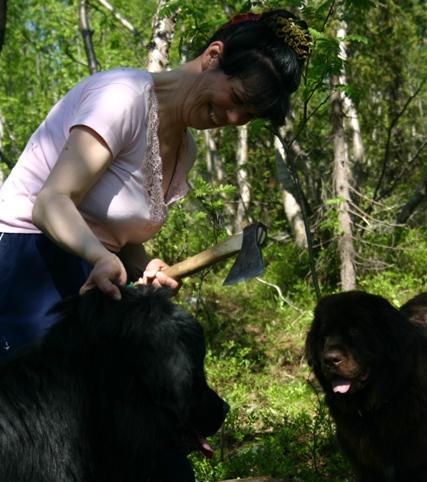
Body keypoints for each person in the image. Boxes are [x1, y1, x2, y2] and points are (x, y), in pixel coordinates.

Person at [0, 8, 311, 360]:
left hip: (89, 280)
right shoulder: (122, 98)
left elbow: (117, 234)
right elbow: (51, 202)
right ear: (212, 56)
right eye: (237, 98)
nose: (235, 119)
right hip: (28, 265)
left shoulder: (185, 150)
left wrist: (143, 266)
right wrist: (100, 256)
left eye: (249, 115)